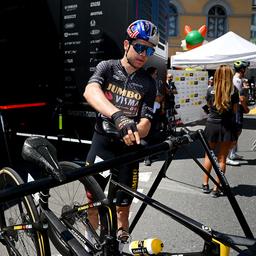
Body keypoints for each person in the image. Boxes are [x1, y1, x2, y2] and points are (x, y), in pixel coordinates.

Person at [83, 19, 159, 246]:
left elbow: (146, 122)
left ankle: (121, 247)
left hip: (128, 149)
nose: (144, 54)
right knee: (92, 201)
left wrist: (137, 130)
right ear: (127, 44)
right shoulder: (107, 67)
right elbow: (90, 90)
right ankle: (89, 242)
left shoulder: (148, 82)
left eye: (150, 49)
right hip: (102, 144)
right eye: (140, 47)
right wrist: (118, 116)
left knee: (123, 207)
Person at [201, 65, 239, 198]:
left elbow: (209, 107)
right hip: (227, 126)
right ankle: (216, 188)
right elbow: (235, 111)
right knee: (222, 159)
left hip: (211, 125)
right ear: (229, 76)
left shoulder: (210, 89)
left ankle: (205, 184)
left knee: (208, 155)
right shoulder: (234, 91)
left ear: (217, 75)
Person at [226, 60, 250, 166]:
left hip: (236, 107)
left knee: (237, 131)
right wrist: (246, 108)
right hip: (237, 108)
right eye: (245, 68)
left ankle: (232, 153)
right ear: (242, 69)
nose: (246, 70)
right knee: (236, 131)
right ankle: (227, 156)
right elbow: (240, 98)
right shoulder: (238, 80)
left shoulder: (237, 79)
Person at [144, 66, 164, 166]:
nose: (156, 75)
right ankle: (146, 157)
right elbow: (155, 98)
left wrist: (158, 98)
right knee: (147, 135)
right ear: (151, 73)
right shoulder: (146, 82)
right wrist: (157, 98)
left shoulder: (156, 82)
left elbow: (160, 97)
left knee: (153, 134)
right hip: (147, 112)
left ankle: (152, 154)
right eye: (155, 73)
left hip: (156, 112)